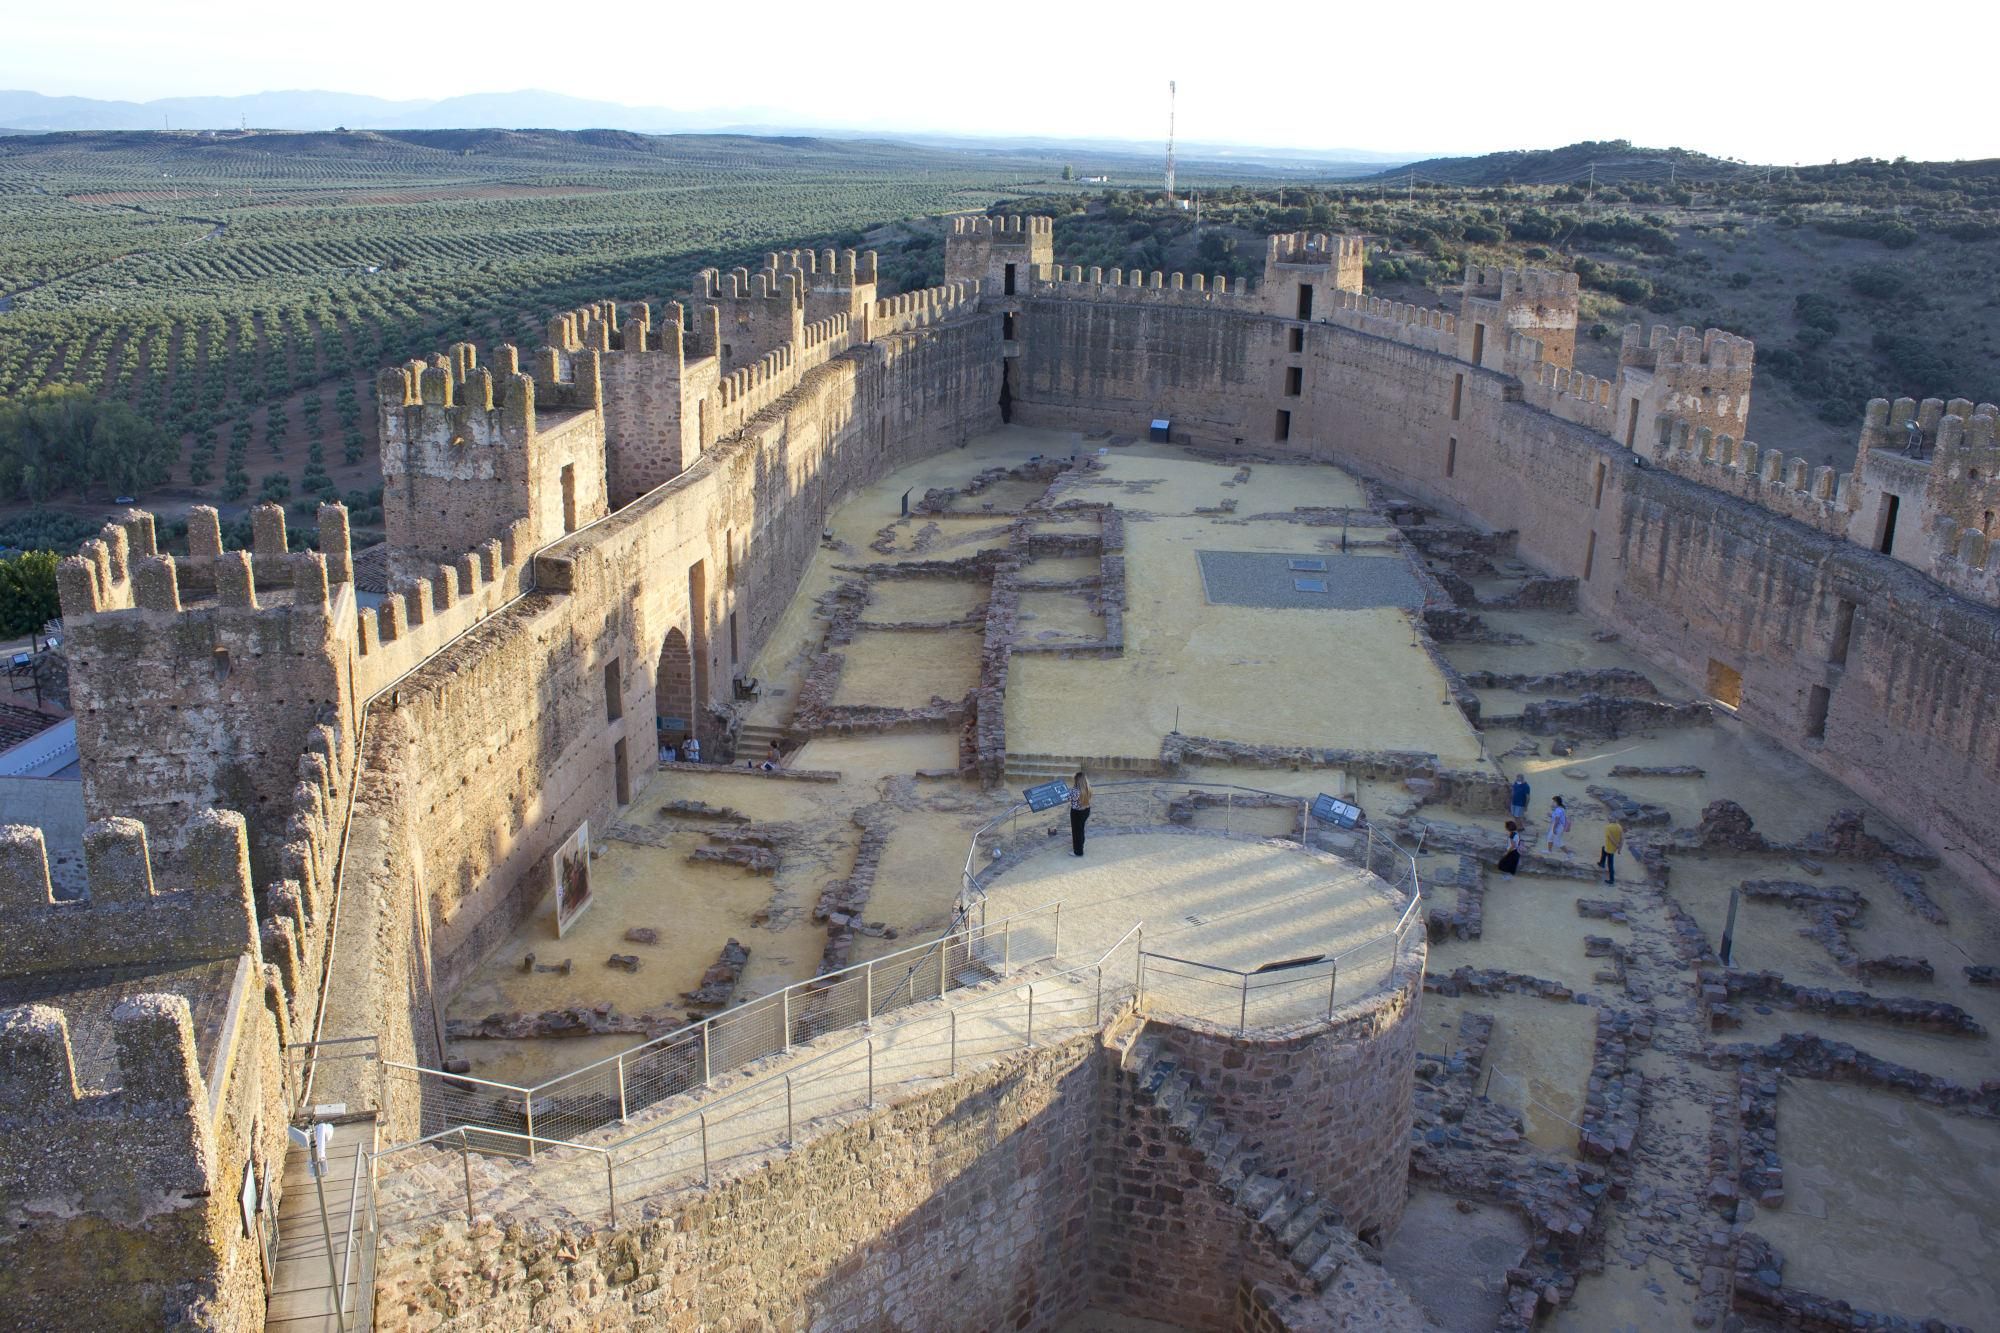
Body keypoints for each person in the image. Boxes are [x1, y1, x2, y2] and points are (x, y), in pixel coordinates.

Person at [1069, 770, 1093, 857]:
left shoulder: (1075, 791)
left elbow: (1067, 798)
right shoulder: (1088, 788)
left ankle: (1078, 851)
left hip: (1077, 813)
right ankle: (1080, 845)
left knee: (1076, 832)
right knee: (1081, 830)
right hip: (1086, 810)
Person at [1600, 819, 1624, 885]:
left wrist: (1617, 846)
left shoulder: (1608, 827)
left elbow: (1611, 838)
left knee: (1610, 864)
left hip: (1609, 848)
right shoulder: (1619, 827)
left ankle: (1611, 880)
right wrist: (1619, 848)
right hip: (1613, 849)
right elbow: (1622, 838)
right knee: (1603, 848)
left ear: (1610, 821)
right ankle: (1601, 863)